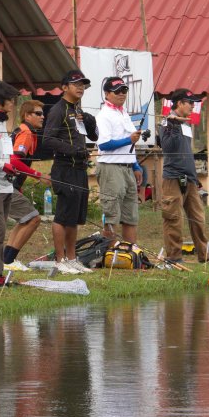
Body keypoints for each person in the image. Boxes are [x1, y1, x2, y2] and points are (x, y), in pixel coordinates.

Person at [0, 81, 46, 286]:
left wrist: (11, 167)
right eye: (10, 100)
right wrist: (2, 166)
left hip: (5, 186)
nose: (13, 103)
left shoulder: (2, 124)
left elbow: (8, 157)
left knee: (1, 230)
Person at [42, 70, 97, 275]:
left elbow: (92, 135)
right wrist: (73, 150)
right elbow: (47, 139)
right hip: (64, 168)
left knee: (74, 217)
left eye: (83, 84)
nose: (80, 87)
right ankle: (59, 260)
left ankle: (72, 258)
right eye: (76, 84)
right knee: (63, 216)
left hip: (80, 169)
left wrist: (92, 124)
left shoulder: (77, 109)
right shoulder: (58, 110)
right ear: (64, 87)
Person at [159, 89, 209, 264]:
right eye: (190, 103)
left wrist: (194, 176)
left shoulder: (185, 124)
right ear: (180, 103)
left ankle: (204, 255)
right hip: (172, 177)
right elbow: (168, 147)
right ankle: (174, 257)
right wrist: (173, 125)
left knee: (198, 218)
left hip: (189, 178)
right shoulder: (166, 122)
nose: (192, 106)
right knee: (173, 218)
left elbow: (185, 151)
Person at [2, 99, 50, 272]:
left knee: (25, 219)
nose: (42, 117)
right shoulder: (26, 133)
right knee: (33, 219)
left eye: (42, 113)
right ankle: (8, 261)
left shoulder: (28, 132)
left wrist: (19, 185)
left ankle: (6, 260)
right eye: (38, 113)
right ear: (27, 115)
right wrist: (39, 175)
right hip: (3, 184)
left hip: (9, 185)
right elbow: (14, 160)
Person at [95, 76, 143, 244]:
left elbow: (131, 143)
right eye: (117, 91)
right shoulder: (104, 115)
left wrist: (136, 165)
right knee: (111, 215)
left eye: (124, 90)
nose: (122, 94)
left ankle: (130, 253)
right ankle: (108, 253)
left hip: (128, 168)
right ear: (107, 94)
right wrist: (128, 140)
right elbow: (104, 144)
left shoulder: (123, 113)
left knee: (131, 215)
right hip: (110, 168)